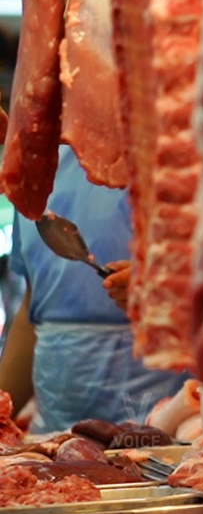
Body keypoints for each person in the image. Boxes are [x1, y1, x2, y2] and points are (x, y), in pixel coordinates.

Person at [0, 144, 190, 432]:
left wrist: (170, 295)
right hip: (55, 443)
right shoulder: (32, 161)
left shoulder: (179, 144)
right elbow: (34, 310)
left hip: (166, 440)